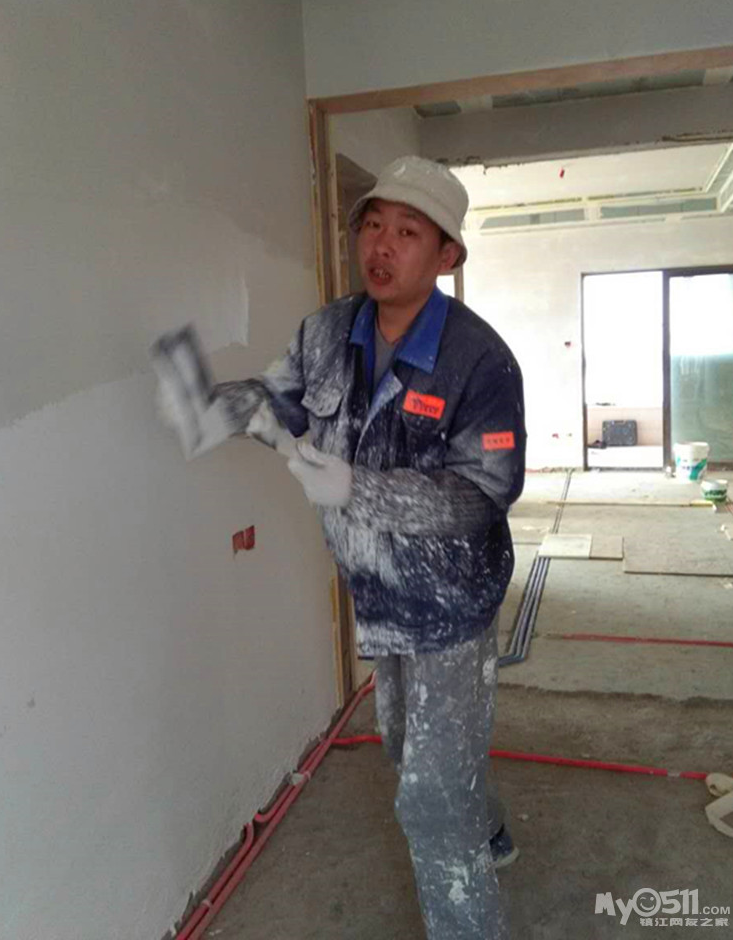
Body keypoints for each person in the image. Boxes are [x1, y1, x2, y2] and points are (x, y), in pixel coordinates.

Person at [159, 156, 525, 940]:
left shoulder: (480, 361)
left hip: (452, 605)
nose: (381, 245)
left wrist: (360, 487)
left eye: (407, 231)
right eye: (372, 225)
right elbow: (281, 401)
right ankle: (488, 825)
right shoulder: (326, 332)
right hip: (378, 594)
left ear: (447, 255)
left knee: (430, 799)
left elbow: (483, 494)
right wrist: (215, 409)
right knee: (410, 746)